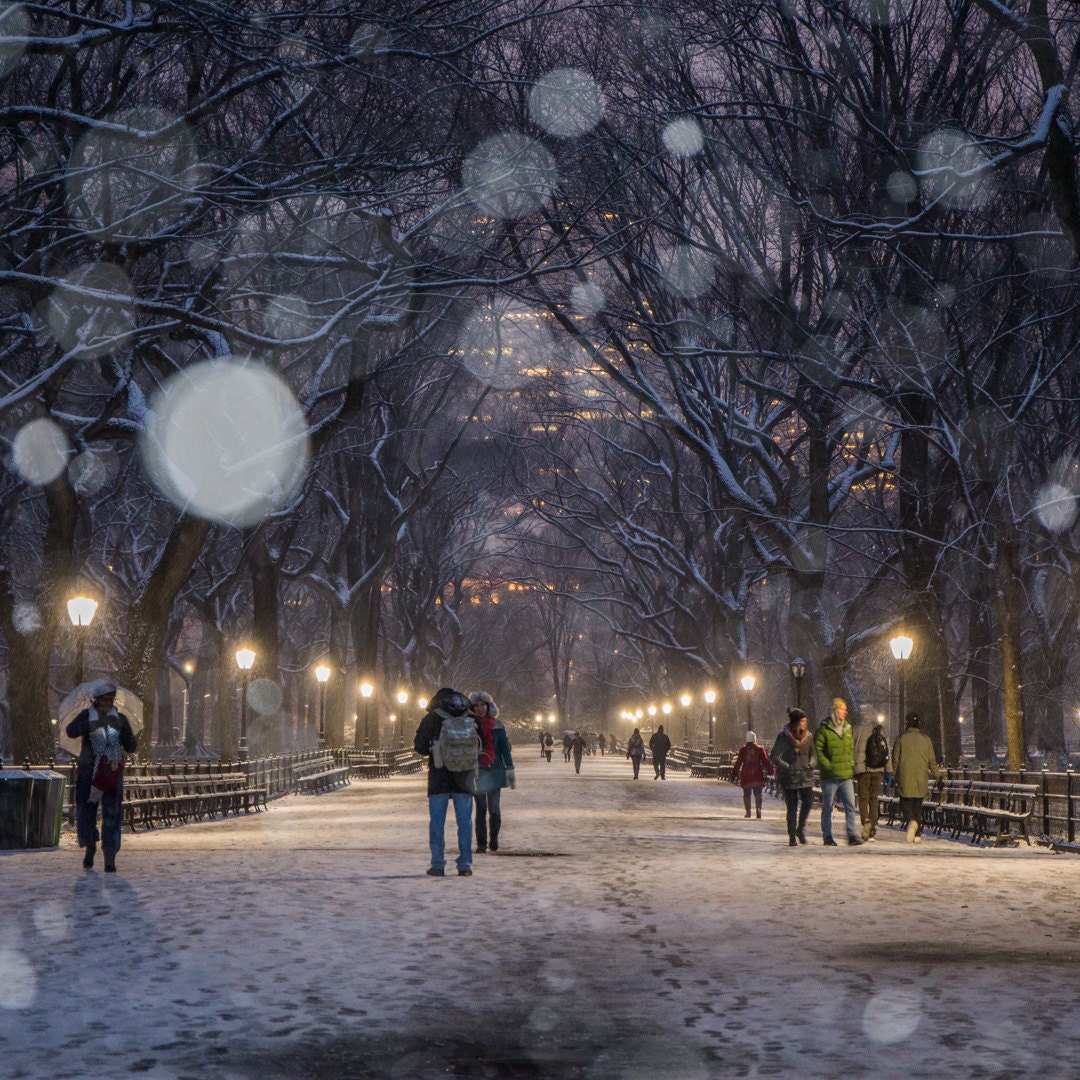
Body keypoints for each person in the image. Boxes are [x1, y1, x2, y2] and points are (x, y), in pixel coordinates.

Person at [65, 680, 138, 873]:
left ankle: (110, 855)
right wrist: (90, 725)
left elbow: (131, 746)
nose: (109, 703)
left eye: (111, 699)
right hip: (89, 773)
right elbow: (70, 731)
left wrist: (123, 733)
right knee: (86, 812)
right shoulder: (86, 716)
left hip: (112, 772)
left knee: (112, 814)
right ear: (96, 700)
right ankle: (90, 845)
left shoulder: (120, 719)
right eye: (105, 700)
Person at [413, 687, 477, 877]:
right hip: (464, 778)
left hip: (439, 778)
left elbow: (420, 747)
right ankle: (465, 865)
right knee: (465, 823)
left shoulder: (432, 718)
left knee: (437, 823)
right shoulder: (469, 717)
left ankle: (438, 864)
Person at [812, 697, 864, 846]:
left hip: (845, 774)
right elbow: (819, 750)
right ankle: (827, 836)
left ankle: (852, 834)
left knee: (850, 805)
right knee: (828, 806)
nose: (845, 712)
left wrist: (851, 763)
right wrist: (827, 765)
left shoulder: (847, 729)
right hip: (829, 776)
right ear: (835, 710)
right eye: (842, 709)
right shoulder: (824, 730)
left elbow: (850, 749)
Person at [470, 691, 515, 853]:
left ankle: (494, 838)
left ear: (489, 706)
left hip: (495, 771)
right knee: (480, 808)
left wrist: (510, 769)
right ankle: (481, 843)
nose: (480, 708)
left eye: (483, 705)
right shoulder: (469, 725)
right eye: (476, 705)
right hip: (477, 771)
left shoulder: (497, 725)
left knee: (494, 808)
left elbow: (504, 749)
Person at [891, 711, 943, 843]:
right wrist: (938, 778)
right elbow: (932, 761)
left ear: (907, 723)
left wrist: (892, 776)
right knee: (917, 806)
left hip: (905, 776)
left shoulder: (901, 738)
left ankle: (912, 822)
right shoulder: (926, 739)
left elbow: (895, 760)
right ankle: (917, 834)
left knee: (905, 804)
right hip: (921, 777)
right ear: (919, 724)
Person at [770, 709, 815, 846]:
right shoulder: (783, 737)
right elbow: (774, 756)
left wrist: (811, 764)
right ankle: (792, 836)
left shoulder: (809, 737)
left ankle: (800, 828)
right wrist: (786, 766)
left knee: (808, 802)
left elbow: (813, 754)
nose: (805, 724)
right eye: (802, 722)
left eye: (806, 722)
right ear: (795, 722)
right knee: (792, 807)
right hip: (788, 777)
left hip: (805, 776)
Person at [853, 711, 890, 841]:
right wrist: (888, 770)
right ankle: (873, 829)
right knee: (874, 799)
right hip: (878, 769)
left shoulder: (857, 729)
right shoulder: (880, 730)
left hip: (863, 769)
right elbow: (887, 750)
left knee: (863, 798)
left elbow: (852, 749)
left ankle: (866, 823)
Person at [730, 730, 771, 818]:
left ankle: (748, 812)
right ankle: (758, 809)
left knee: (746, 794)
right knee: (758, 794)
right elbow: (766, 762)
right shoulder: (760, 750)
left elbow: (738, 763)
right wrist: (771, 770)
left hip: (747, 775)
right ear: (755, 739)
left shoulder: (743, 750)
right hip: (757, 774)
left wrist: (733, 775)